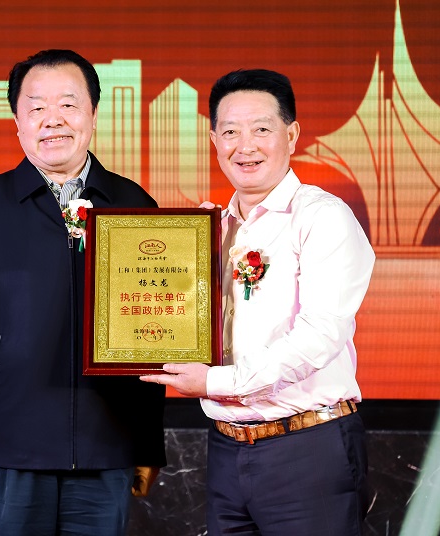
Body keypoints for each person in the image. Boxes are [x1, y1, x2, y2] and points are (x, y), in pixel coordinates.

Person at [0, 49, 166, 535]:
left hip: (107, 448)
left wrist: (147, 445)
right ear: (17, 122)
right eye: (36, 107)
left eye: (68, 104)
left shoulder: (134, 204)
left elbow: (151, 332)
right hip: (7, 451)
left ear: (93, 114)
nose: (52, 119)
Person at [141, 69, 375, 535]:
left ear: (292, 135)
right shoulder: (212, 229)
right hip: (227, 448)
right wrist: (185, 259)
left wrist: (214, 381)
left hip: (307, 447)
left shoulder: (322, 217)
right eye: (230, 132)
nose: (244, 146)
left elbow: (319, 336)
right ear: (214, 141)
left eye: (261, 129)